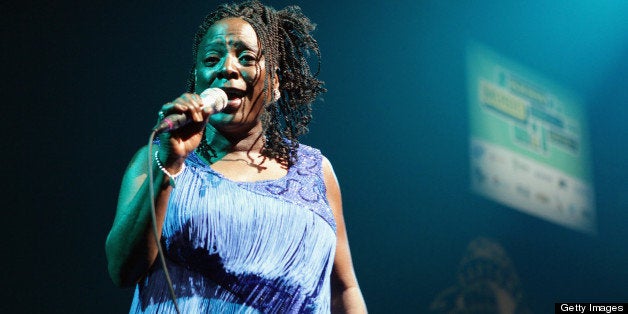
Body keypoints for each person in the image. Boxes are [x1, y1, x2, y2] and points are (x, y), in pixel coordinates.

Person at [105, 1, 367, 313]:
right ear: (198, 80)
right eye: (212, 59)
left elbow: (342, 288)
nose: (226, 68)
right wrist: (169, 166)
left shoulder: (315, 172)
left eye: (245, 57)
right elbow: (122, 269)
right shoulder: (157, 158)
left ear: (275, 84)